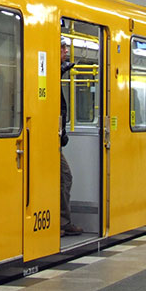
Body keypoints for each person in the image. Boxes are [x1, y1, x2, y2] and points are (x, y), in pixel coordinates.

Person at [60, 42, 83, 237]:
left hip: (55, 139)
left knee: (62, 178)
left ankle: (62, 222)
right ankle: (61, 222)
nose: (66, 51)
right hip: (51, 141)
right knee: (64, 177)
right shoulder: (49, 70)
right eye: (62, 48)